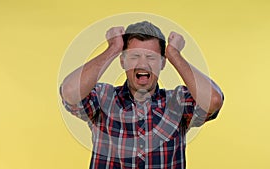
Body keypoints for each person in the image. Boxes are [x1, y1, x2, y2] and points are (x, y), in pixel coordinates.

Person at [60, 21, 224, 169]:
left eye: (151, 57)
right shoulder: (104, 98)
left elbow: (213, 100)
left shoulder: (177, 102)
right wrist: (114, 48)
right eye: (135, 56)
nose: (143, 64)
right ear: (123, 61)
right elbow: (69, 92)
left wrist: (174, 54)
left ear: (162, 63)